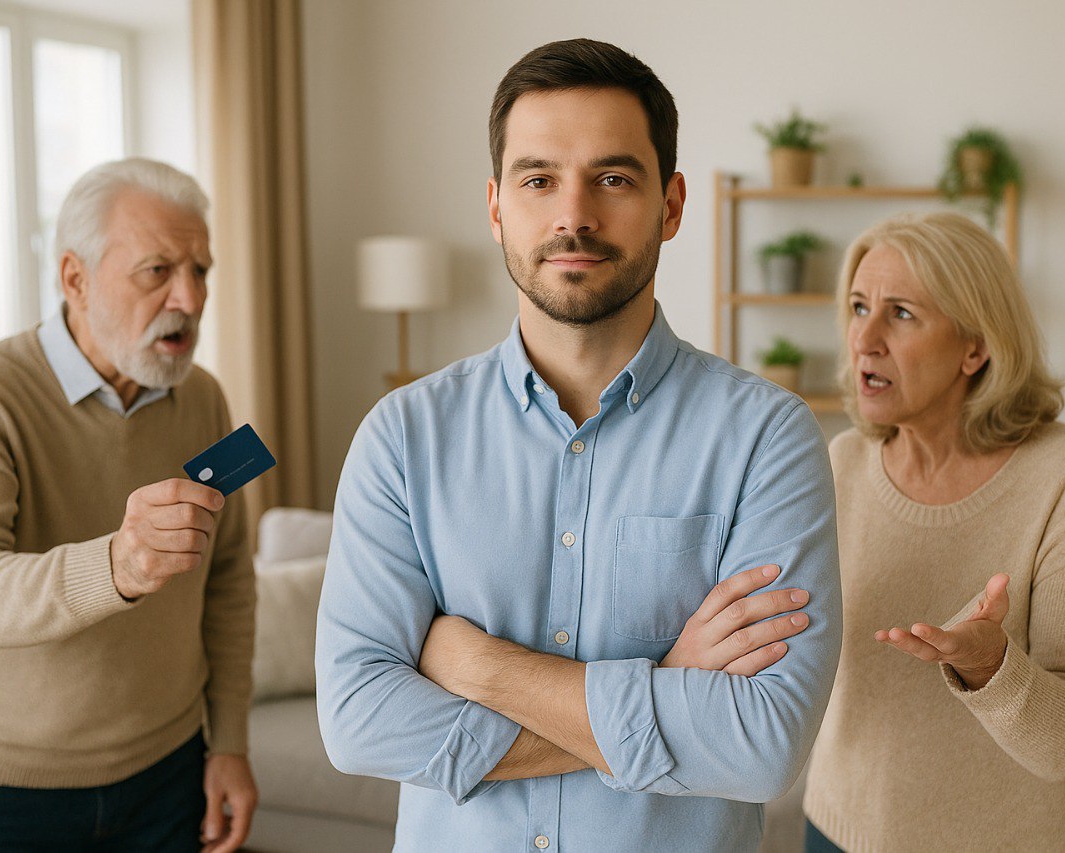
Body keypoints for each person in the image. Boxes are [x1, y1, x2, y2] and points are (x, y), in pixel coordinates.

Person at [315, 38, 842, 852]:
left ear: (670, 204)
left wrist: (483, 668)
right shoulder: (401, 436)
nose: (573, 216)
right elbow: (357, 722)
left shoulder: (767, 438)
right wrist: (666, 691)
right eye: (538, 180)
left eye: (613, 178)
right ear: (496, 206)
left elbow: (762, 746)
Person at [0, 158, 258, 852]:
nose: (191, 299)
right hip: (2, 793)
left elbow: (228, 580)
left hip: (170, 774)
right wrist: (115, 565)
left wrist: (228, 739)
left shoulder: (205, 397)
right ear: (74, 278)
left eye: (201, 270)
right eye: (158, 270)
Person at [802, 212, 1065, 852]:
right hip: (840, 830)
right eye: (859, 306)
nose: (864, 338)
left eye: (901, 314)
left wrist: (990, 666)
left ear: (974, 347)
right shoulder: (841, 463)